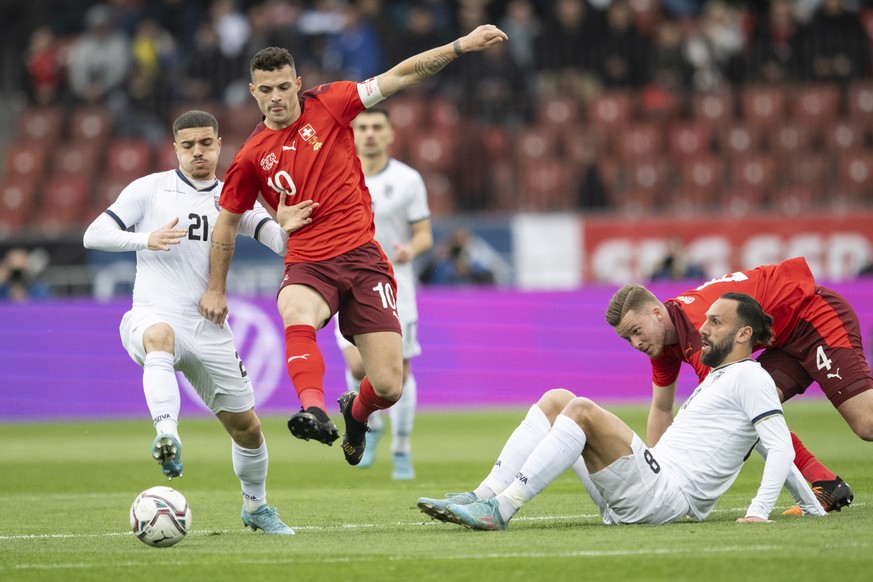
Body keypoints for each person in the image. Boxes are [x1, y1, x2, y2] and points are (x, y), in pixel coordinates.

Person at [198, 26, 508, 466]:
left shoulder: (331, 103)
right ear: (253, 92)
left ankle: (356, 416)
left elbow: (402, 75)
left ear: (298, 84)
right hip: (308, 262)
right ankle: (313, 408)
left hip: (363, 259)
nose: (276, 98)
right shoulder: (250, 155)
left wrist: (460, 45)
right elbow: (226, 225)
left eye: (284, 87)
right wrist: (216, 289)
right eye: (266, 90)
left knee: (388, 385)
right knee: (294, 310)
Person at [83, 110, 316, 535]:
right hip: (153, 311)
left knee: (247, 428)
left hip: (208, 328)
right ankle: (166, 436)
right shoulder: (149, 190)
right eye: (188, 145)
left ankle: (256, 507)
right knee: (159, 337)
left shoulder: (234, 195)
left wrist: (286, 227)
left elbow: (279, 242)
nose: (198, 153)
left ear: (219, 143)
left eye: (205, 144)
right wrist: (144, 238)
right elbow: (93, 235)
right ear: (175, 148)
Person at [418, 293, 827, 530]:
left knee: (580, 409)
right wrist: (811, 506)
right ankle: (484, 495)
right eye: (706, 320)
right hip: (652, 485)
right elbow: (763, 442)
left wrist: (757, 512)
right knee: (558, 397)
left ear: (743, 334)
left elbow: (779, 449)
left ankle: (501, 510)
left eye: (715, 322)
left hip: (669, 497)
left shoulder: (751, 378)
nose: (702, 328)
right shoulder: (720, 379)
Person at [605, 256, 872, 512]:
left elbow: (724, 407)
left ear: (656, 313)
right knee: (740, 412)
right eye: (627, 339)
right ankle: (826, 484)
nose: (636, 344)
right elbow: (662, 409)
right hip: (783, 340)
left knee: (866, 423)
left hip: (812, 316)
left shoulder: (701, 329)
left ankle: (824, 482)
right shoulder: (664, 341)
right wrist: (658, 478)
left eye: (636, 331)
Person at [329, 108, 432, 480]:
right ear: (351, 134)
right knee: (358, 365)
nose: (369, 134)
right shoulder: (336, 174)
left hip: (394, 283)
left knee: (399, 371)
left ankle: (401, 449)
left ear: (390, 135)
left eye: (377, 127)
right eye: (362, 127)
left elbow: (424, 234)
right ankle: (367, 425)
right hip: (346, 279)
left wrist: (412, 249)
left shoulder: (408, 180)